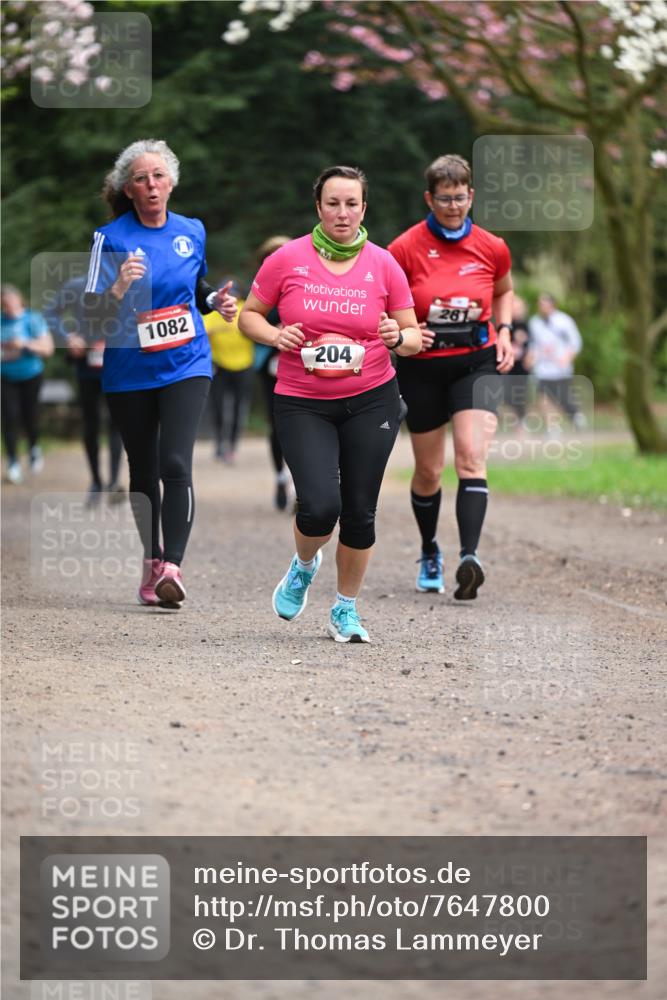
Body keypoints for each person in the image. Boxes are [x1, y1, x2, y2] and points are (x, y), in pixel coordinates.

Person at [239, 166, 421, 643]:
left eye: (352, 204)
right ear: (318, 207)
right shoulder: (287, 259)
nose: (343, 213)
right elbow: (248, 317)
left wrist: (397, 335)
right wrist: (277, 335)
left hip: (372, 399)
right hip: (303, 401)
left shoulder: (384, 264)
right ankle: (303, 565)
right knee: (320, 507)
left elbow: (415, 336)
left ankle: (345, 609)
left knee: (360, 511)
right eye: (334, 203)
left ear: (365, 208)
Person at [83, 139, 237, 607]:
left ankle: (174, 566)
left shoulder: (192, 230)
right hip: (129, 368)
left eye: (159, 176)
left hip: (187, 362)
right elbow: (90, 316)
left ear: (171, 182)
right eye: (141, 179)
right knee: (144, 469)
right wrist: (118, 286)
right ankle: (153, 559)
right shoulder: (109, 238)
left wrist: (215, 302)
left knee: (175, 462)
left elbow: (197, 287)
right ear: (127, 189)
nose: (151, 185)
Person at [387, 154, 514, 600]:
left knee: (471, 457)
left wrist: (505, 332)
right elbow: (383, 300)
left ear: (471, 195)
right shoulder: (404, 248)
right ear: (429, 198)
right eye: (444, 199)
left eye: (460, 198)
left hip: (474, 363)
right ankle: (429, 550)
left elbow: (503, 290)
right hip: (422, 368)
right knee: (427, 471)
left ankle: (470, 558)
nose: (453, 207)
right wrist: (404, 330)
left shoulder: (491, 245)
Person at [44, 275, 124, 506]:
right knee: (91, 423)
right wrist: (67, 336)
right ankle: (96, 482)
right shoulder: (76, 285)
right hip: (86, 365)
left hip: (117, 362)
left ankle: (114, 482)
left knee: (117, 423)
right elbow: (50, 313)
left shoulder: (124, 282)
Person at [252, 235, 293, 510]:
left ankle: (303, 484)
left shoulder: (307, 281)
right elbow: (250, 322)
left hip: (305, 361)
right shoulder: (260, 288)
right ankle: (280, 476)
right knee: (277, 424)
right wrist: (272, 332)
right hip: (271, 364)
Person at [1, 284, 54, 484]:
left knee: (29, 416)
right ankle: (13, 462)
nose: (8, 307)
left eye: (10, 302)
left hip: (31, 375)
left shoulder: (32, 319)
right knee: (10, 417)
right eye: (4, 304)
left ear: (19, 300)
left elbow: (47, 349)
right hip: (5, 376)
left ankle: (33, 447)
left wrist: (23, 344)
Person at [204, 278, 254, 463]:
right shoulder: (213, 312)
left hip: (244, 365)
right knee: (217, 406)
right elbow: (203, 333)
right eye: (225, 295)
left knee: (238, 408)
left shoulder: (244, 310)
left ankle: (232, 446)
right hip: (219, 365)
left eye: (233, 295)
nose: (229, 299)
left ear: (239, 297)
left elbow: (255, 330)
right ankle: (219, 442)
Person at [527, 292, 585, 430]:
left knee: (562, 397)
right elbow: (533, 344)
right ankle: (552, 426)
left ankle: (575, 416)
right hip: (542, 367)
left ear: (553, 305)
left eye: (545, 304)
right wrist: (531, 357)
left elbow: (575, 342)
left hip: (560, 366)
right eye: (540, 304)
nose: (542, 307)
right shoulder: (534, 322)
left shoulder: (564, 321)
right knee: (543, 396)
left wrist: (567, 358)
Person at [500, 294, 532, 427]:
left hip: (522, 366)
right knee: (506, 393)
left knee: (520, 394)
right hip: (508, 364)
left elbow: (534, 344)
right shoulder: (505, 327)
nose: (516, 310)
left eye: (519, 308)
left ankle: (521, 420)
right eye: (514, 307)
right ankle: (515, 418)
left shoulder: (528, 325)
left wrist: (530, 357)